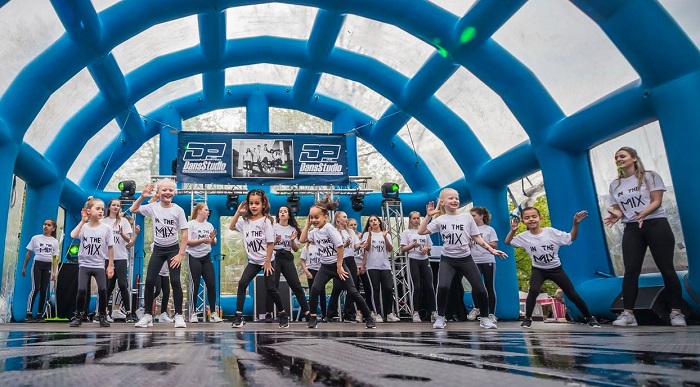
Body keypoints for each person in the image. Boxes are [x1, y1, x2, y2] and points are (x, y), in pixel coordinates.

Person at [605, 147, 686, 327]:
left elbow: (657, 201)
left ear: (634, 158)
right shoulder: (615, 185)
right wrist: (616, 215)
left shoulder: (650, 176)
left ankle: (676, 313)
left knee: (666, 268)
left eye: (622, 156)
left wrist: (642, 214)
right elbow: (618, 208)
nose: (618, 159)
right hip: (632, 228)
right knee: (631, 270)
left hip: (656, 223)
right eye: (616, 157)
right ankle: (628, 315)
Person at [418, 188, 505, 330]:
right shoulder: (440, 220)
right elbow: (421, 231)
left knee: (480, 289)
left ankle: (485, 318)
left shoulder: (467, 217)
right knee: (443, 287)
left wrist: (491, 249)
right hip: (448, 260)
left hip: (466, 259)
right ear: (443, 202)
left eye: (456, 198)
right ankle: (440, 317)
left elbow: (476, 237)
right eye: (451, 198)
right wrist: (428, 216)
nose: (455, 201)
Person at [505, 207, 600, 329]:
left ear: (540, 218)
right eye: (527, 217)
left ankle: (589, 317)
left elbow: (572, 237)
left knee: (572, 294)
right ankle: (527, 318)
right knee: (533, 291)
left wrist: (575, 224)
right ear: (523, 221)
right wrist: (513, 230)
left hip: (556, 269)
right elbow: (507, 242)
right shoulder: (524, 236)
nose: (531, 219)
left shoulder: (550, 232)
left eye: (534, 216)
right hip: (538, 269)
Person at [300, 197, 375, 329]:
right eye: (311, 217)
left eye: (316, 217)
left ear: (325, 218)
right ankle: (312, 317)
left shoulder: (329, 228)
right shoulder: (315, 231)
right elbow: (302, 239)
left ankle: (368, 316)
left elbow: (340, 247)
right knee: (315, 289)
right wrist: (307, 224)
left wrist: (340, 267)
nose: (314, 220)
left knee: (352, 291)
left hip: (338, 264)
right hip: (325, 267)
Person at [130, 179, 189, 328]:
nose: (167, 192)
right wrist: (143, 196)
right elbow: (133, 209)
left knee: (175, 281)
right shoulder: (153, 207)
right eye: (164, 190)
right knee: (150, 281)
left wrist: (181, 254)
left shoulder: (178, 210)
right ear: (158, 192)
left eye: (170, 190)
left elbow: (185, 233)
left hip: (173, 249)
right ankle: (148, 315)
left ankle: (179, 316)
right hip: (158, 249)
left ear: (174, 193)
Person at [229, 189, 290, 328]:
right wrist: (238, 212)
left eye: (257, 203)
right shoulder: (245, 221)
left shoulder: (265, 222)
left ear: (263, 204)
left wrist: (268, 261)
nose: (254, 206)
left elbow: (270, 243)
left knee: (270, 287)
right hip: (253, 261)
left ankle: (282, 314)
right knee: (242, 283)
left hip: (267, 259)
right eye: (251, 203)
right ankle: (239, 316)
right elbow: (232, 226)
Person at [69, 198, 115, 327]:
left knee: (103, 289)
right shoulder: (84, 227)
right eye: (98, 208)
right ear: (89, 211)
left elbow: (111, 247)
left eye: (102, 209)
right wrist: (83, 221)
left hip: (99, 264)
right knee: (82, 289)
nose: (101, 211)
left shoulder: (106, 228)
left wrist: (110, 265)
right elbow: (73, 235)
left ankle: (102, 315)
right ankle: (78, 315)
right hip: (84, 264)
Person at [264, 205, 310, 322]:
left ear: (289, 215)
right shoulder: (273, 227)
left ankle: (307, 312)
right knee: (273, 285)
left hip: (287, 257)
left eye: (285, 211)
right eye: (280, 211)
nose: (283, 213)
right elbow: (267, 245)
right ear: (278, 215)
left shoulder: (293, 229)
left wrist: (291, 240)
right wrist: (275, 241)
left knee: (296, 285)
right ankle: (268, 312)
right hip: (275, 256)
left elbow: (295, 249)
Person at [101, 199, 136, 323]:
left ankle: (128, 313)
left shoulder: (124, 221)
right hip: (106, 257)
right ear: (109, 207)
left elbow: (129, 241)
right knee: (107, 286)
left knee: (122, 284)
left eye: (118, 206)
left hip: (121, 257)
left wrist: (122, 234)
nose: (116, 207)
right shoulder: (103, 221)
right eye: (114, 205)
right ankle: (104, 313)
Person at [186, 203, 222, 323]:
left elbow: (214, 242)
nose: (208, 212)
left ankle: (212, 313)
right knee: (195, 285)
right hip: (193, 256)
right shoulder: (191, 224)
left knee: (211, 284)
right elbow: (187, 241)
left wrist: (211, 239)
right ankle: (193, 313)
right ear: (199, 211)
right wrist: (202, 240)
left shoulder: (209, 225)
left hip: (206, 257)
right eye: (206, 210)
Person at [361, 215, 400, 323]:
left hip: (385, 265)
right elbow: (367, 248)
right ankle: (376, 313)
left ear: (379, 222)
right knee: (375, 289)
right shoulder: (366, 234)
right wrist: (369, 235)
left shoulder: (385, 233)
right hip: (372, 266)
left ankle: (389, 313)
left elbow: (390, 249)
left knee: (388, 288)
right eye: (371, 221)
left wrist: (384, 236)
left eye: (375, 220)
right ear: (369, 224)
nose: (373, 222)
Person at [467, 206, 503, 322]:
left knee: (489, 286)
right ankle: (476, 308)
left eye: (474, 215)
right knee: (475, 286)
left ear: (481, 216)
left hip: (487, 260)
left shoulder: (489, 229)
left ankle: (491, 313)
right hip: (474, 260)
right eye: (471, 216)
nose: (472, 218)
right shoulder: (469, 230)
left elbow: (494, 245)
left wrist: (481, 242)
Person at [400, 211, 437, 323]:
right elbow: (403, 249)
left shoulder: (425, 232)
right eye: (414, 218)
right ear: (410, 220)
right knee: (417, 286)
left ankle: (434, 312)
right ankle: (415, 312)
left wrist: (427, 248)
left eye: (418, 218)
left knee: (430, 286)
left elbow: (430, 246)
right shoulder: (407, 232)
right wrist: (412, 245)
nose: (416, 220)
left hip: (424, 259)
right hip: (413, 259)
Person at [22, 219, 59, 322]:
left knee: (44, 289)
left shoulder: (54, 241)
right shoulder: (36, 238)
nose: (46, 226)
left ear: (53, 228)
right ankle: (28, 313)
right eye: (45, 224)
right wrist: (24, 267)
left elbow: (55, 258)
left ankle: (39, 314)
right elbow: (29, 253)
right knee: (36, 288)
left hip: (47, 265)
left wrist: (54, 272)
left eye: (49, 225)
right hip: (37, 264)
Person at [327, 211, 360, 322]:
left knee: (352, 287)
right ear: (338, 219)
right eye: (344, 217)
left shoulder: (350, 231)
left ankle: (349, 313)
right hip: (341, 260)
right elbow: (334, 247)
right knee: (337, 287)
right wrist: (344, 245)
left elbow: (355, 246)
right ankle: (331, 313)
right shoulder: (334, 231)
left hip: (351, 259)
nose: (346, 219)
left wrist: (362, 244)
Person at [349, 218, 372, 323]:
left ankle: (369, 311)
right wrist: (355, 267)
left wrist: (363, 264)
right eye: (351, 225)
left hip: (363, 265)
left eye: (355, 224)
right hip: (352, 265)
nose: (353, 226)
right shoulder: (347, 236)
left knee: (368, 288)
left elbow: (365, 251)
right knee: (355, 289)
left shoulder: (361, 235)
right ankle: (357, 312)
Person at [300, 240, 326, 320]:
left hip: (320, 270)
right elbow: (303, 261)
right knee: (312, 292)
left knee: (322, 292)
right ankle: (312, 313)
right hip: (311, 270)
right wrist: (306, 272)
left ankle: (324, 314)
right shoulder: (306, 248)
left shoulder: (321, 246)